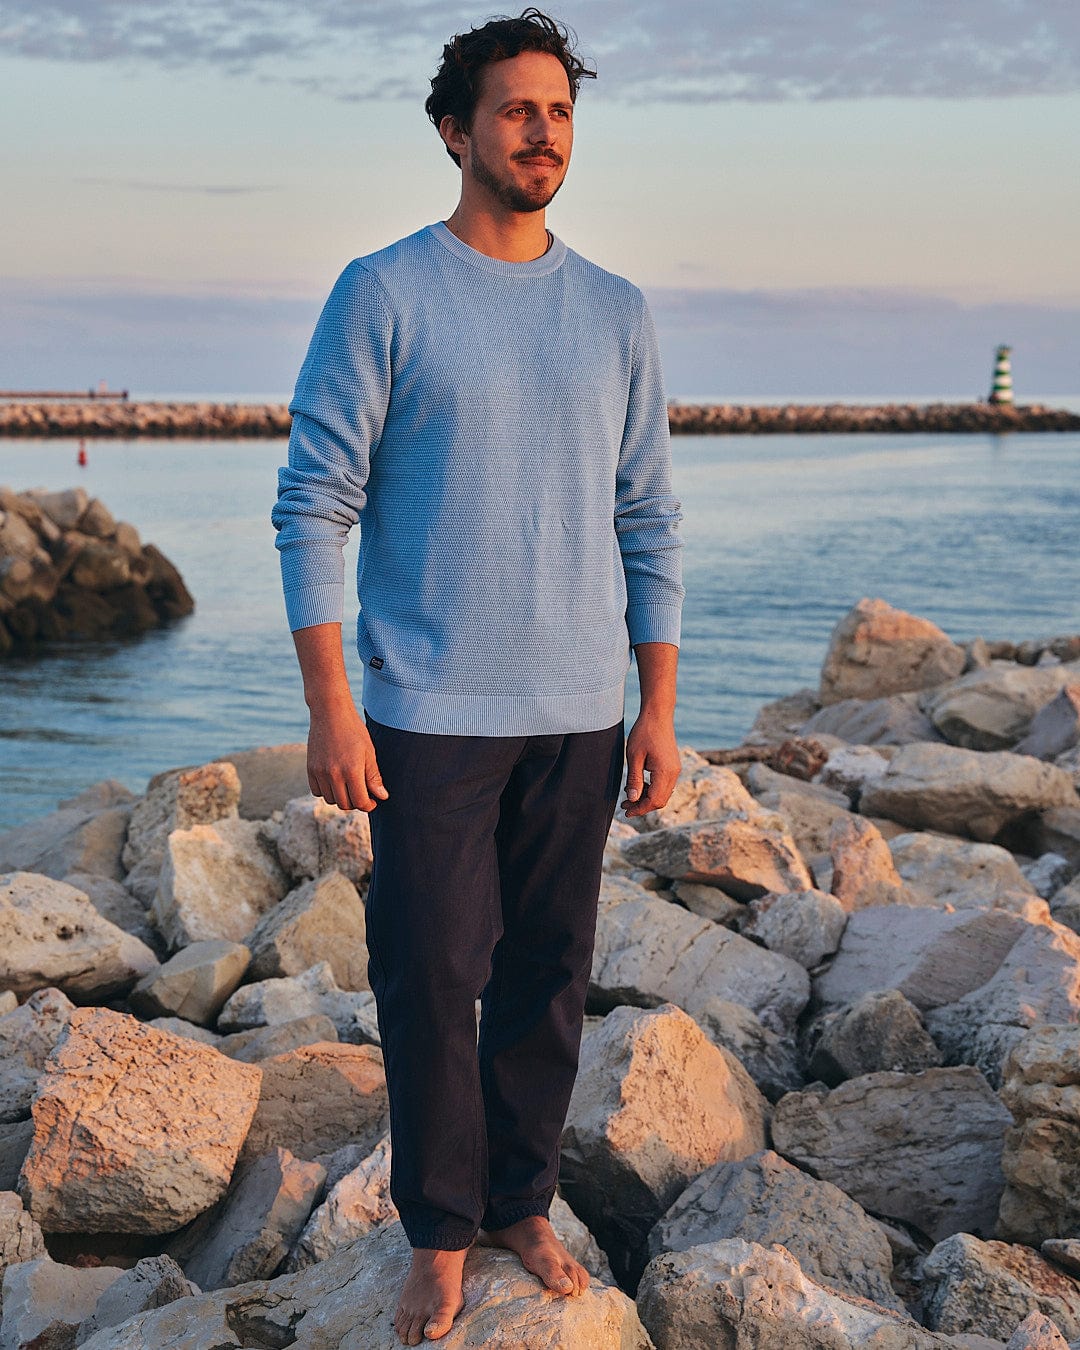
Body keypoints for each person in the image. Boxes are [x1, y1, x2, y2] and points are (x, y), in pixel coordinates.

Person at [272, 9, 684, 1343]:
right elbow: (312, 502)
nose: (542, 133)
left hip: (581, 710)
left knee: (550, 978)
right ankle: (438, 1232)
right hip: (427, 713)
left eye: (560, 111)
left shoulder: (617, 311)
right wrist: (333, 702)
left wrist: (658, 702)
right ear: (457, 130)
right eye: (516, 110)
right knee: (428, 973)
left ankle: (520, 1199)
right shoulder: (384, 292)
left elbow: (650, 518)